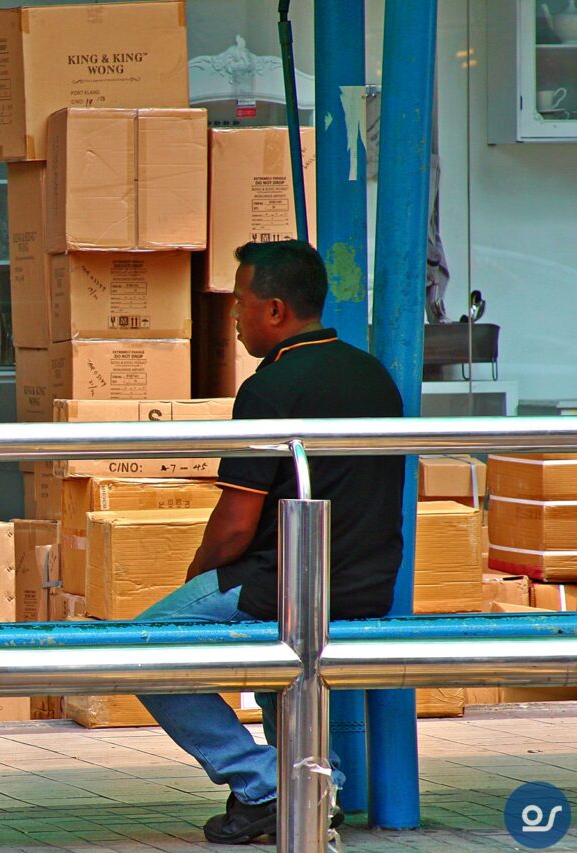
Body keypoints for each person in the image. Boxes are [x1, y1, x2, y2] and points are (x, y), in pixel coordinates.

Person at [135, 240, 404, 845]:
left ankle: (263, 784)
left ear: (275, 309)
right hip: (365, 585)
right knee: (283, 658)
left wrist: (198, 578)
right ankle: (316, 784)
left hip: (283, 583)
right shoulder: (373, 376)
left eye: (240, 302)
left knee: (142, 648)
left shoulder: (270, 388)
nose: (234, 315)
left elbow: (235, 525)